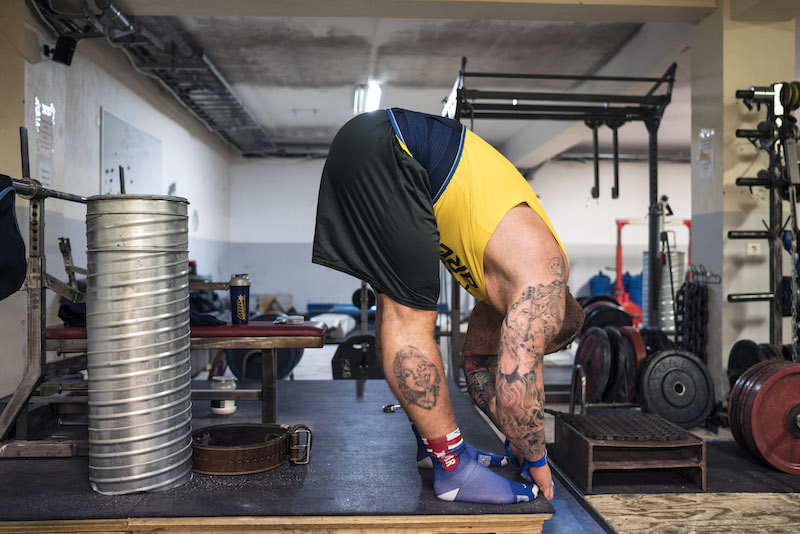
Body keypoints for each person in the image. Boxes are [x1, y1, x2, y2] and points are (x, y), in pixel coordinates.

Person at [312, 108, 583, 504]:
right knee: (412, 322)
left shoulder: (505, 287)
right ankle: (452, 467)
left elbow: (477, 371)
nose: (534, 351)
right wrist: (537, 455)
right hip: (394, 150)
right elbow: (514, 392)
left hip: (376, 147)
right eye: (542, 346)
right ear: (553, 322)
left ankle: (434, 445)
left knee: (395, 315)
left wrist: (518, 436)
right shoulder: (546, 280)